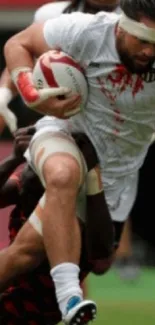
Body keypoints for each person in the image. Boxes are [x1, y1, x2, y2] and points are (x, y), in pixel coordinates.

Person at [3, 0, 155, 323]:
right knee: (63, 173)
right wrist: (27, 94)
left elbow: (101, 261)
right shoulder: (87, 30)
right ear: (123, 26)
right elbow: (18, 44)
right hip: (63, 135)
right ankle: (70, 296)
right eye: (142, 40)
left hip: (112, 173)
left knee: (23, 256)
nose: (148, 52)